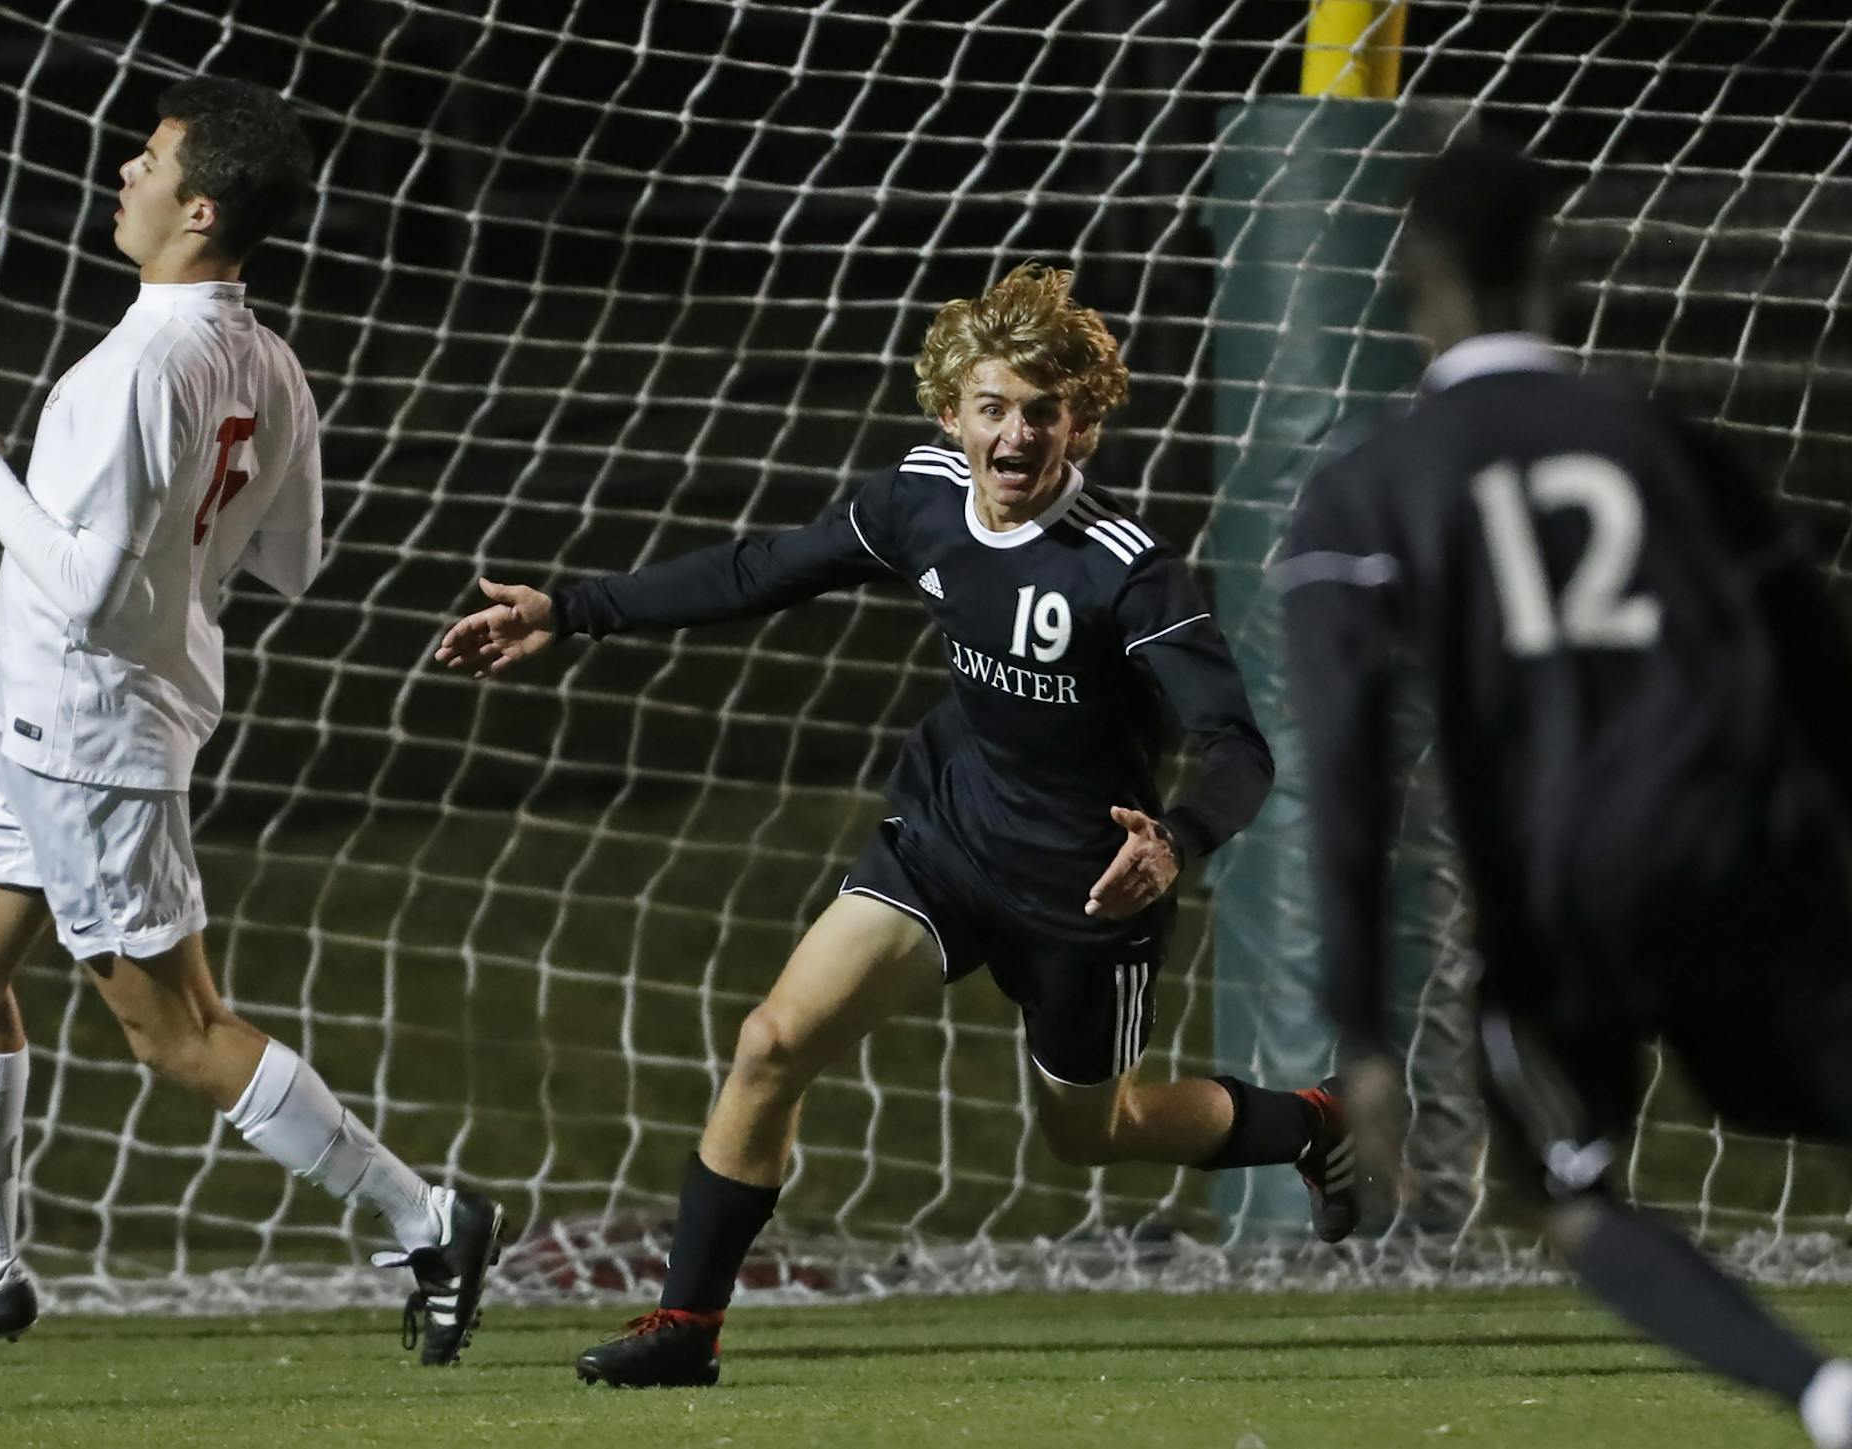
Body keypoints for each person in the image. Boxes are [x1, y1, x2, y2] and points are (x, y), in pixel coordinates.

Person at [438, 263, 1359, 1389]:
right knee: (772, 1043)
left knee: (1090, 1133)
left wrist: (1174, 840)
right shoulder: (918, 499)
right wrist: (571, 609)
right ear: (950, 415)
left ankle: (1313, 1121)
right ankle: (685, 1328)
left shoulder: (1130, 577)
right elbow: (762, 569)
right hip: (947, 842)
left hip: (1085, 894)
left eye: (1041, 411)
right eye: (992, 407)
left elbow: (1239, 747)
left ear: (1083, 422)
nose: (1015, 434)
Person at [0, 77, 502, 1365]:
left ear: (197, 209)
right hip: (40, 726)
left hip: (94, 736)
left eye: (147, 162)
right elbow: (291, 559)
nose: (122, 177)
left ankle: (424, 1216)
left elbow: (85, 588)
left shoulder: (140, 364)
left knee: (179, 1034)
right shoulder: (266, 359)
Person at [1278, 135, 1852, 1449]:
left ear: (1410, 281)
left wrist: (1359, 1022)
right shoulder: (1667, 442)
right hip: (1750, 852)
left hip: (1562, 896)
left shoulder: (1365, 485)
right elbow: (1823, 676)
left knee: (1558, 1185)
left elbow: (1348, 766)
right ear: (1553, 271)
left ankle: (1827, 1396)